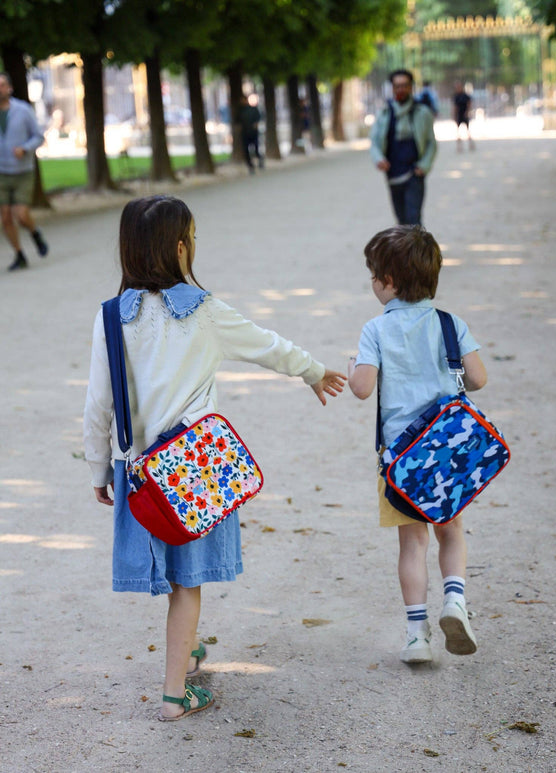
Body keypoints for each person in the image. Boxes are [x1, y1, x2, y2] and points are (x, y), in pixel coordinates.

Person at [83, 195, 346, 720]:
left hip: (140, 475)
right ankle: (175, 695)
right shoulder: (203, 311)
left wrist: (97, 465)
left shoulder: (112, 317)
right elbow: (267, 345)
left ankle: (186, 652)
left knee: (172, 573)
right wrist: (313, 370)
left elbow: (98, 403)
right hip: (196, 471)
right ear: (182, 248)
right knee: (188, 584)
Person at [348, 225, 487, 664]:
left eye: (374, 275)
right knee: (451, 532)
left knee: (412, 545)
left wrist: (354, 366)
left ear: (388, 282)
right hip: (448, 454)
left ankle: (416, 636)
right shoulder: (450, 324)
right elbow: (479, 378)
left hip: (402, 462)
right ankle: (456, 601)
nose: (372, 283)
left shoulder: (376, 329)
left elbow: (362, 388)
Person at [370, 69, 437, 227]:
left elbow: (431, 143)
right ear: (392, 88)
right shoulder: (384, 113)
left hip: (414, 173)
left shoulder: (423, 113)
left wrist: (424, 165)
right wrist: (379, 159)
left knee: (414, 220)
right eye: (397, 86)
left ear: (411, 87)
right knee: (401, 221)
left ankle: (418, 252)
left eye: (404, 85)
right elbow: (374, 141)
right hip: (393, 173)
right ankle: (405, 252)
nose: (401, 89)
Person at [0, 72, 48, 271]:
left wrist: (25, 148)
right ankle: (19, 254)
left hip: (22, 171)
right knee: (5, 217)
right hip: (1, 172)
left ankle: (35, 232)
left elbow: (39, 137)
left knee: (20, 214)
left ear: (9, 88)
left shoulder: (23, 110)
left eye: (2, 84)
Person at [238, 94, 263, 174]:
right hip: (245, 133)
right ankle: (250, 166)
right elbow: (238, 122)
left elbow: (258, 118)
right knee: (246, 151)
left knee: (255, 148)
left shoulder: (253, 109)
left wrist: (255, 125)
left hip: (253, 132)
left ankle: (260, 159)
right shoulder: (240, 111)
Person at [453, 81, 475, 151]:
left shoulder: (465, 96)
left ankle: (471, 145)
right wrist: (454, 115)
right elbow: (455, 107)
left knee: (468, 130)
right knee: (458, 132)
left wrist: (467, 112)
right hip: (459, 115)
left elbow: (469, 104)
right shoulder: (456, 97)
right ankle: (459, 147)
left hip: (464, 114)